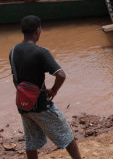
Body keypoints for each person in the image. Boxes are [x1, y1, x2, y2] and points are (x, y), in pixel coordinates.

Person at [9, 15, 81, 159]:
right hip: (41, 105)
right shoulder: (41, 52)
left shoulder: (14, 51)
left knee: (31, 141)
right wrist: (53, 90)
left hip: (23, 104)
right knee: (66, 134)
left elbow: (16, 81)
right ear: (37, 31)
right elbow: (61, 75)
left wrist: (29, 94)